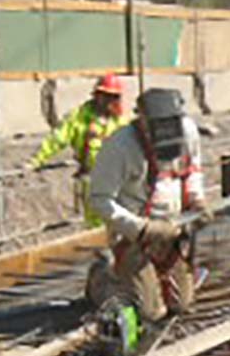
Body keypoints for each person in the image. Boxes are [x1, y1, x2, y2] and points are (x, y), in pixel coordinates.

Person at [88, 88, 209, 324]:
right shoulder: (120, 147)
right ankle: (102, 279)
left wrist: (197, 200)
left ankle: (156, 274)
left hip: (172, 230)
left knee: (180, 304)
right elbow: (100, 200)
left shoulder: (187, 133)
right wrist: (141, 228)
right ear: (143, 122)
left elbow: (192, 170)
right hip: (134, 236)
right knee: (149, 313)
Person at [30, 73, 127, 226]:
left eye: (114, 96)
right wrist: (35, 160)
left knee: (122, 223)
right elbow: (57, 139)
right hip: (93, 180)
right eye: (106, 95)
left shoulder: (121, 121)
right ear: (97, 95)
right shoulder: (80, 118)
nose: (110, 100)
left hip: (119, 181)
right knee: (97, 226)